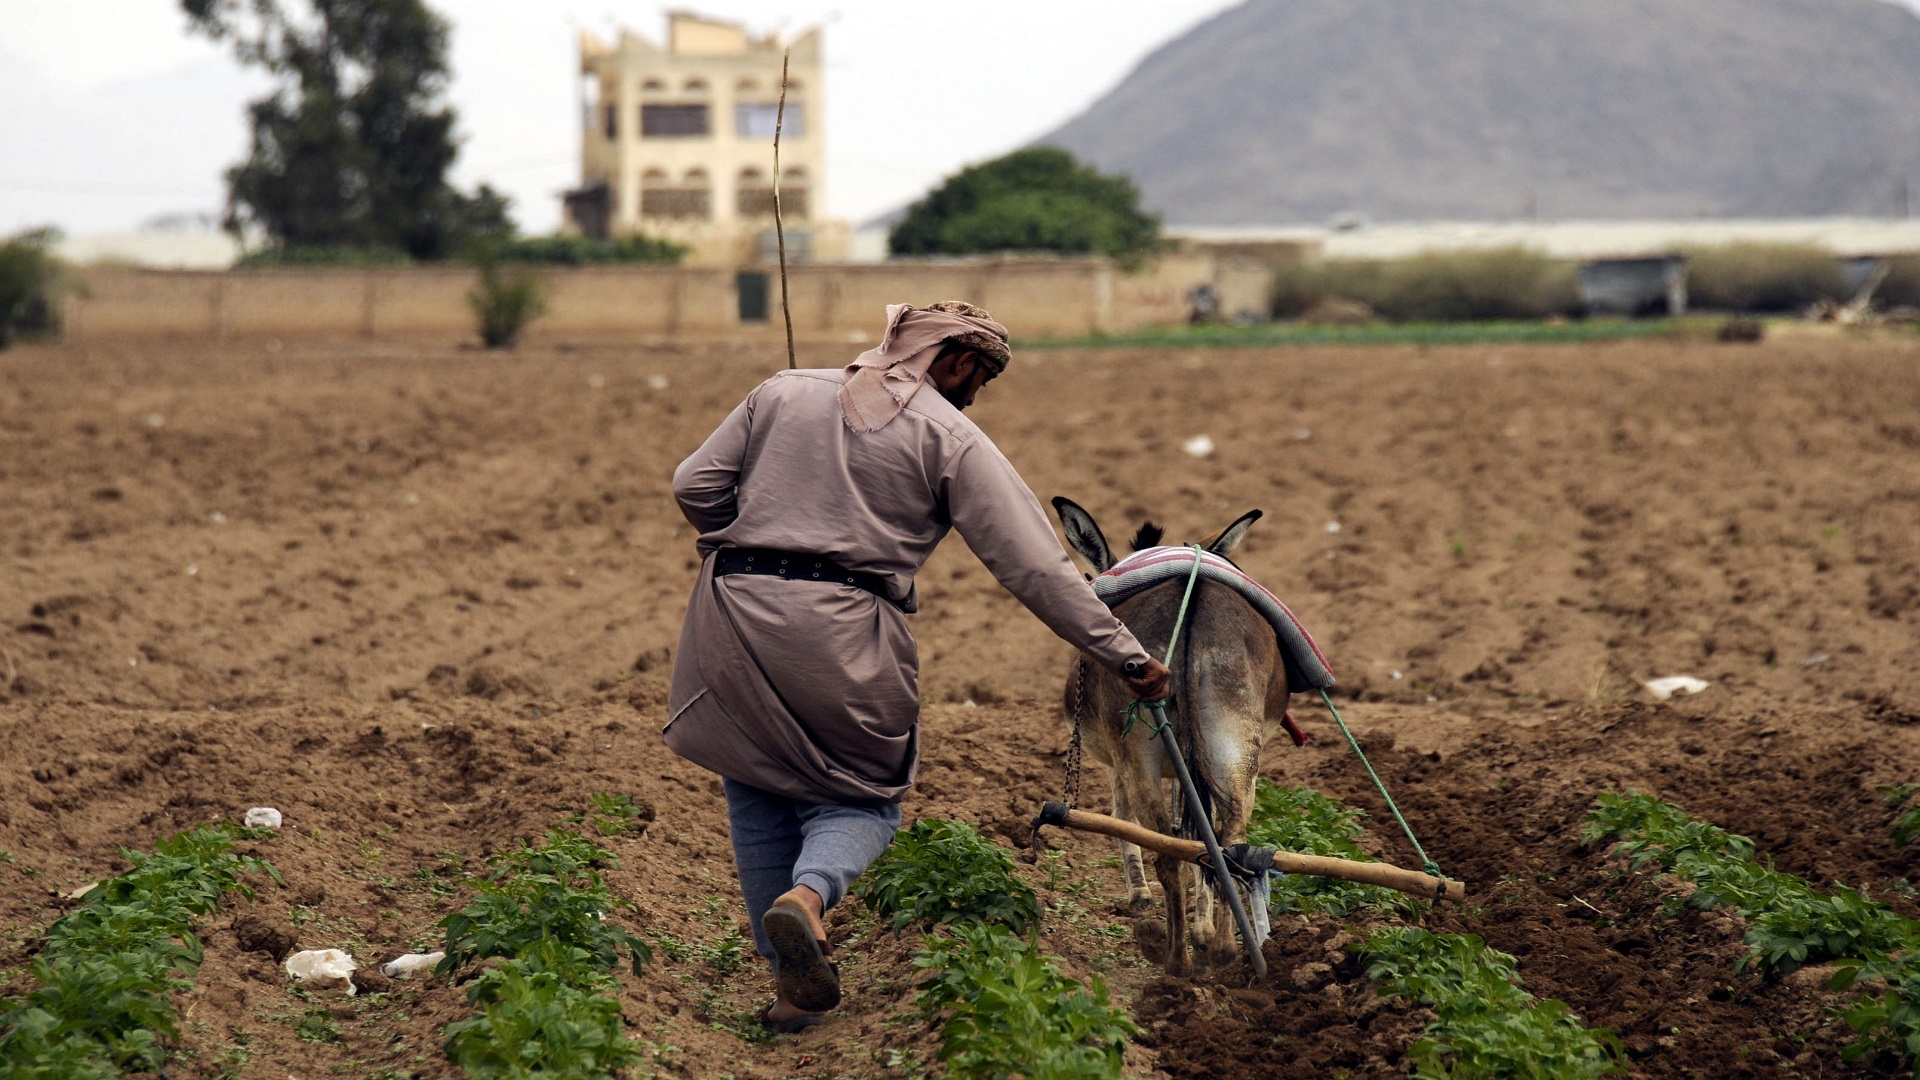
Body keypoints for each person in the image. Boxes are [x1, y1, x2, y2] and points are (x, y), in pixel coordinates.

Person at [666, 301, 1171, 1033]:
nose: (975, 395)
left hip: (728, 612)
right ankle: (807, 898)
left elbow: (693, 485)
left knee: (755, 790)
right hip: (843, 627)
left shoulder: (780, 389)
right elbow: (1035, 568)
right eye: (980, 379)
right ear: (959, 362)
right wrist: (1124, 654)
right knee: (864, 797)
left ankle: (788, 994)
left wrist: (750, 540)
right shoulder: (950, 435)